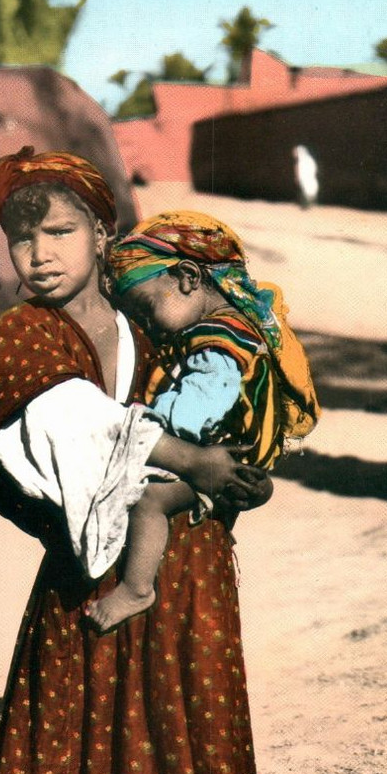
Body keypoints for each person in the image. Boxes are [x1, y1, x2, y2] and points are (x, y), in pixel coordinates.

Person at [0, 147, 272, 774]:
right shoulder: (24, 334)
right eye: (19, 239)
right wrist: (188, 458)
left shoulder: (151, 316)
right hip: (82, 557)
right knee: (54, 712)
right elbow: (74, 427)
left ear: (102, 233)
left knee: (155, 712)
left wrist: (234, 469)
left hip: (174, 551)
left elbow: (229, 383)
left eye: (60, 231)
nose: (40, 254)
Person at [86, 211, 321, 633]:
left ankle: (137, 588)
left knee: (148, 500)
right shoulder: (239, 326)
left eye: (146, 308)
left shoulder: (217, 340)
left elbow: (203, 403)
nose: (147, 326)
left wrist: (155, 423)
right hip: (239, 457)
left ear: (188, 277)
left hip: (212, 451)